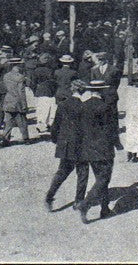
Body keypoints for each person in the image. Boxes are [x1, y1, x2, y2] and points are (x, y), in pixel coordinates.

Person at [75, 80, 121, 224]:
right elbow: (111, 129)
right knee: (103, 179)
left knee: (101, 179)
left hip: (88, 148)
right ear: (102, 91)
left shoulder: (83, 106)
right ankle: (86, 204)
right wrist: (117, 144)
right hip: (104, 148)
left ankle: (105, 209)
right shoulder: (106, 108)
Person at [45, 79, 87, 212]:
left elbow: (55, 125)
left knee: (62, 172)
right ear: (83, 91)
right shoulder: (85, 105)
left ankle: (49, 197)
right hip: (81, 144)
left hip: (66, 143)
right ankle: (78, 201)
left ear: (72, 90)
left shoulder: (63, 105)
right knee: (82, 172)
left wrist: (55, 139)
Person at [1, 58, 29, 146]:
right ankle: (25, 138)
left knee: (8, 121)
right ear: (18, 65)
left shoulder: (6, 76)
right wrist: (24, 105)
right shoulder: (20, 77)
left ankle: (5, 139)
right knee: (22, 120)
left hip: (8, 99)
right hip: (18, 102)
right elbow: (21, 92)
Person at [120, 72, 138, 162]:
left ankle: (129, 153)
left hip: (130, 115)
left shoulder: (128, 90)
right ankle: (136, 155)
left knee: (130, 134)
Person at [31, 53, 57, 133]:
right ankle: (48, 124)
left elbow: (33, 83)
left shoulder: (36, 70)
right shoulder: (51, 70)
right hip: (50, 90)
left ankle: (40, 124)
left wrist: (35, 91)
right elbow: (54, 81)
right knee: (50, 108)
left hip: (40, 90)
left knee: (41, 108)